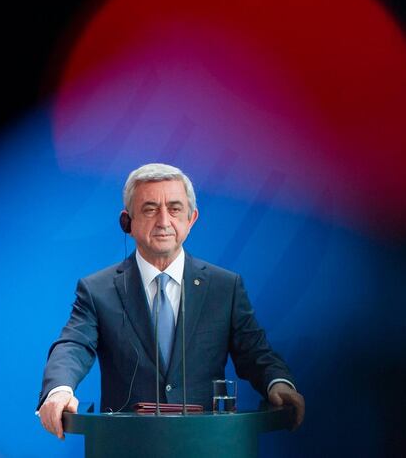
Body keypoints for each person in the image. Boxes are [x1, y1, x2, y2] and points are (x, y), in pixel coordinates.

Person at [37, 163, 305, 439]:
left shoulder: (225, 287)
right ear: (127, 222)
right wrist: (60, 390)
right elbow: (73, 344)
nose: (164, 221)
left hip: (207, 445)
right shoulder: (97, 289)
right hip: (127, 446)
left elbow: (255, 352)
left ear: (191, 219)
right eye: (150, 209)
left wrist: (278, 384)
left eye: (175, 209)